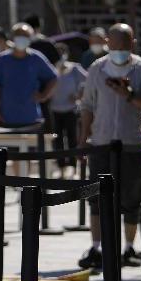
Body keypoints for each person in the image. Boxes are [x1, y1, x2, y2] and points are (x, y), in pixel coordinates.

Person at [78, 23, 141, 268]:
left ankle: (128, 247)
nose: (119, 50)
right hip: (101, 142)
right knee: (96, 197)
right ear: (108, 44)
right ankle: (96, 247)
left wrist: (129, 94)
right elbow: (87, 105)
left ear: (132, 44)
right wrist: (83, 139)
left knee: (132, 197)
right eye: (115, 45)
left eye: (125, 45)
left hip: (131, 143)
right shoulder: (97, 68)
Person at [0, 23, 58, 127]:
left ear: (30, 38)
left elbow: (53, 78)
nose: (21, 38)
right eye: (18, 35)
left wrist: (43, 95)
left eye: (25, 36)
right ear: (13, 37)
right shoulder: (2, 60)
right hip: (6, 118)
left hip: (31, 117)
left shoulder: (36, 59)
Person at [50, 43, 87, 179]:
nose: (60, 55)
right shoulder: (50, 68)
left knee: (72, 138)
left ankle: (73, 167)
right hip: (54, 110)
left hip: (71, 110)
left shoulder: (75, 68)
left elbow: (89, 80)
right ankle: (60, 167)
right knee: (57, 140)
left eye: (62, 52)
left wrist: (79, 95)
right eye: (58, 52)